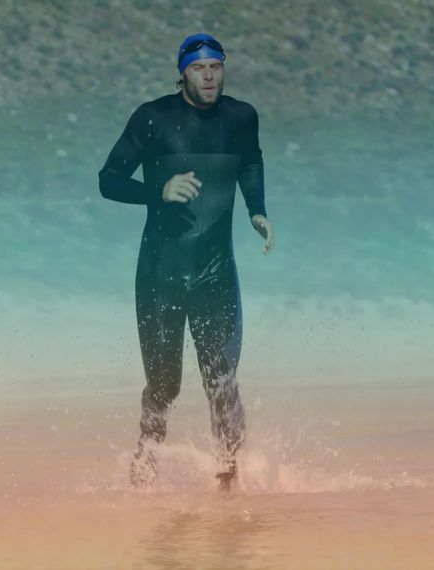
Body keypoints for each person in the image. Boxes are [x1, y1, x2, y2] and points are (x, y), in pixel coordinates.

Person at [98, 33, 275, 491]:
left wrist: (257, 208)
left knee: (222, 381)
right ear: (183, 73)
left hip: (217, 269)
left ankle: (229, 481)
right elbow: (109, 180)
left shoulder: (241, 117)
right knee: (164, 385)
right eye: (199, 68)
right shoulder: (153, 118)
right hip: (161, 272)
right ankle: (144, 469)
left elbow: (251, 161)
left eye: (216, 65)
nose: (210, 75)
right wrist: (156, 191)